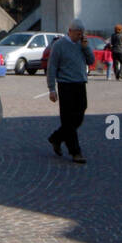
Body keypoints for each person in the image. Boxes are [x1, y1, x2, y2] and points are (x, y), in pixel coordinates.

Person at [47, 19, 95, 163]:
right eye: (78, 34)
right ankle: (75, 152)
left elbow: (91, 61)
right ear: (70, 31)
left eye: (82, 34)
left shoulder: (82, 44)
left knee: (79, 115)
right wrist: (51, 88)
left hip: (80, 83)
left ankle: (56, 137)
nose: (80, 36)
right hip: (65, 84)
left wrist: (86, 48)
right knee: (68, 119)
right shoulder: (59, 45)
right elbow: (52, 67)